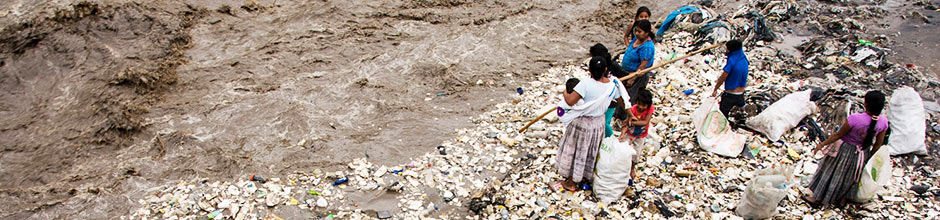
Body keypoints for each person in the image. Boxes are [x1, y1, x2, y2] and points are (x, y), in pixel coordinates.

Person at [553, 56, 628, 192]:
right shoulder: (612, 85)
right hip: (598, 123)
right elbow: (623, 102)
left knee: (577, 150)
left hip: (582, 123)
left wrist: (564, 91)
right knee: (590, 150)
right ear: (605, 69)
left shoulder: (585, 84)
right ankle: (585, 176)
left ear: (589, 70)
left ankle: (571, 182)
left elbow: (570, 101)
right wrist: (631, 115)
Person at [802, 91, 888, 208]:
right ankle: (842, 200)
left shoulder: (855, 118)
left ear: (865, 104)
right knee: (852, 178)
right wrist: (868, 158)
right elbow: (878, 144)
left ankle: (818, 199)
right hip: (863, 153)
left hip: (844, 150)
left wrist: (822, 144)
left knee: (832, 173)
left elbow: (838, 135)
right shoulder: (883, 122)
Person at [589, 43, 630, 137]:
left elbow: (625, 76)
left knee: (605, 123)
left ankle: (610, 139)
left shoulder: (613, 66)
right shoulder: (595, 66)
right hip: (599, 97)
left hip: (611, 98)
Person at [619, 89, 654, 179]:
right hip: (630, 134)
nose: (641, 107)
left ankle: (632, 168)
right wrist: (622, 133)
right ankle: (622, 168)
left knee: (636, 153)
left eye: (644, 105)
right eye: (639, 104)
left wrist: (632, 123)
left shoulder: (650, 109)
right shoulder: (633, 110)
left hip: (641, 135)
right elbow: (625, 124)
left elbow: (645, 122)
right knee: (624, 151)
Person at [711, 39, 748, 118]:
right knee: (739, 117)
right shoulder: (744, 59)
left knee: (723, 117)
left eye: (727, 48)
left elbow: (723, 77)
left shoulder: (732, 61)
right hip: (741, 95)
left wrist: (715, 89)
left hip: (730, 96)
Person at [621, 20, 656, 104]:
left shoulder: (647, 47)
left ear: (647, 33)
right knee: (622, 94)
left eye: (639, 31)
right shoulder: (636, 39)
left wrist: (632, 79)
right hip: (627, 72)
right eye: (636, 30)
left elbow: (643, 65)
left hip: (637, 75)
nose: (636, 33)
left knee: (629, 97)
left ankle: (625, 116)